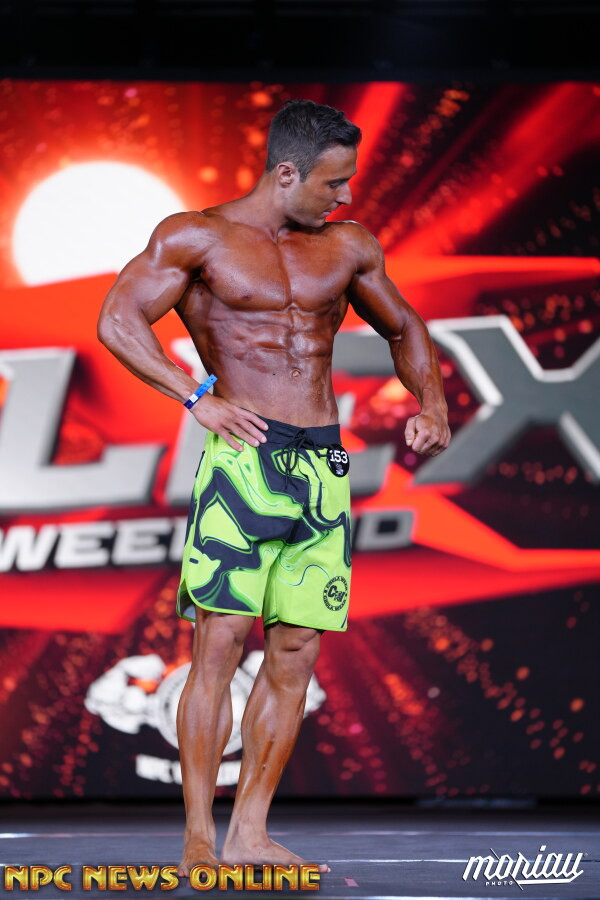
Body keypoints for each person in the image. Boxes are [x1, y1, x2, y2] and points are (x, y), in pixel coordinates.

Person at [97, 98, 450, 875]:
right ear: (286, 172)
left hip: (322, 468)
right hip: (245, 463)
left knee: (295, 651)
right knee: (220, 643)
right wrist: (195, 395)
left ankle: (249, 832)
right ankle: (199, 833)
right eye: (332, 182)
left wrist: (432, 402)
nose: (345, 196)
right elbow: (118, 320)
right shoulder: (195, 236)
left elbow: (404, 326)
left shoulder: (349, 246)